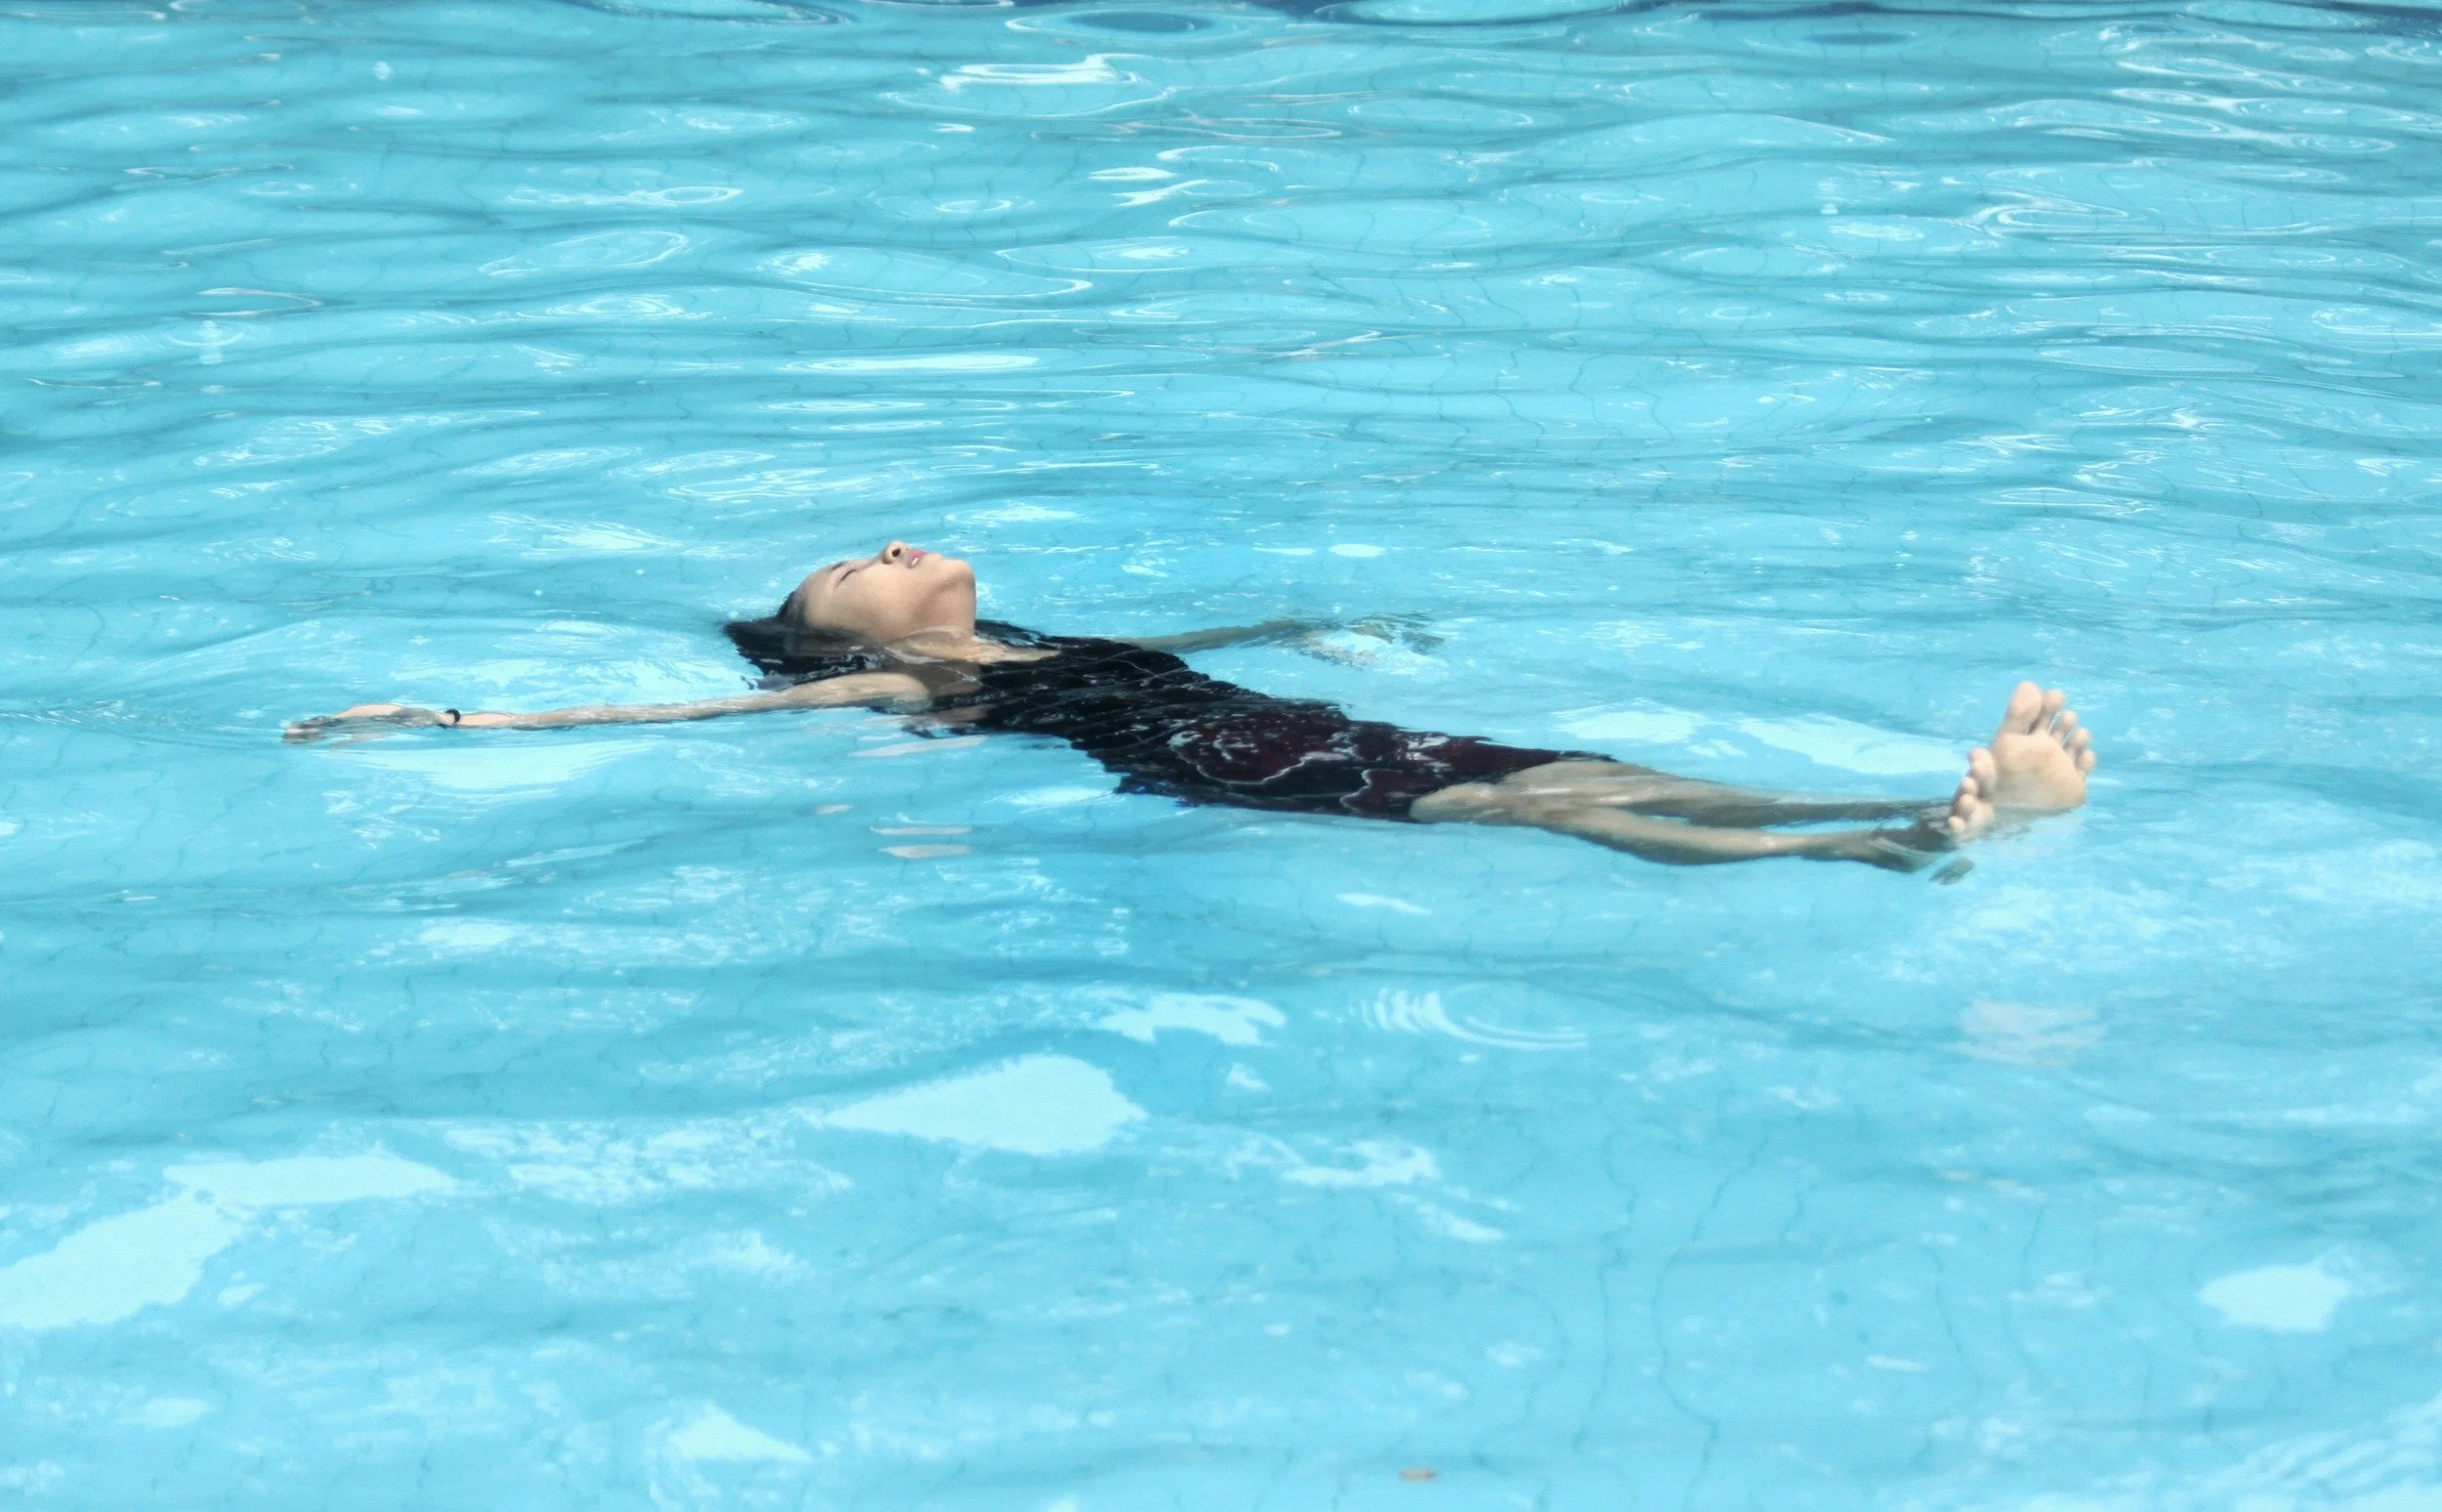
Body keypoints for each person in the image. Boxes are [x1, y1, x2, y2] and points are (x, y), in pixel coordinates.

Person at [286, 541, 2096, 870]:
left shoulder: (1027, 641)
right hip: (1236, 773)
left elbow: (1211, 627)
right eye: (855, 563)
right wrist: (461, 731)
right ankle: (1900, 844)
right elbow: (699, 724)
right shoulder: (902, 687)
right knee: (1544, 809)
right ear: (829, 639)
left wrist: (1329, 620)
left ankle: (1878, 821)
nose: (900, 544)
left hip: (1281, 721)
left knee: (1591, 769)